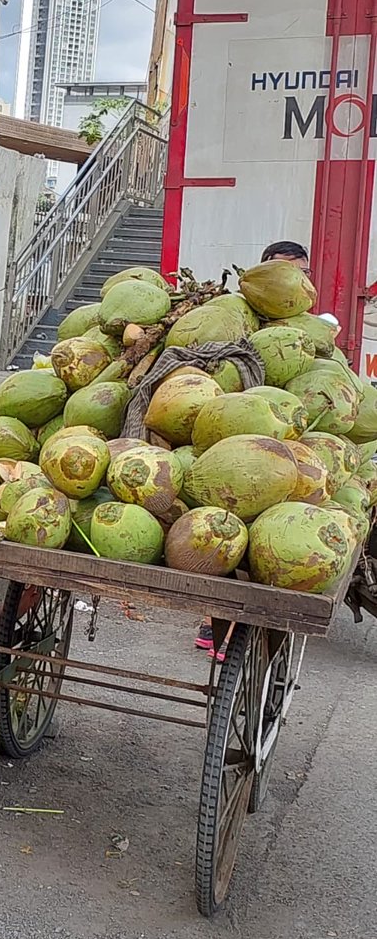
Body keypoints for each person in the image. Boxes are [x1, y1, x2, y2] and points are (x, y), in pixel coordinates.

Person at [196, 237, 312, 657]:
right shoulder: (236, 320)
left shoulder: (305, 331)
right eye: (284, 272)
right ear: (261, 275)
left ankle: (255, 629)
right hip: (230, 450)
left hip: (281, 452)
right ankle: (215, 623)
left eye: (302, 273)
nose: (294, 281)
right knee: (220, 529)